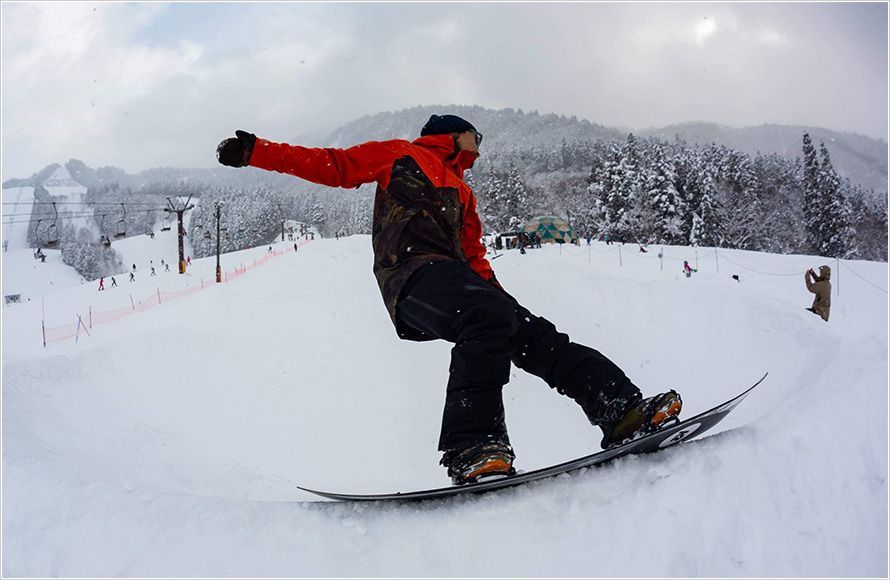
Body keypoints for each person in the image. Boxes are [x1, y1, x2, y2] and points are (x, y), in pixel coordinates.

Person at [216, 115, 682, 485]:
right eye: (475, 137)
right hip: (410, 276)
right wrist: (257, 152)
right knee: (485, 315)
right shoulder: (401, 154)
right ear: (453, 135)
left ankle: (620, 410)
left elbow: (475, 258)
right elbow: (332, 165)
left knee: (532, 333)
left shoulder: (463, 192)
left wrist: (506, 308)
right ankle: (471, 447)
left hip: (457, 281)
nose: (479, 148)